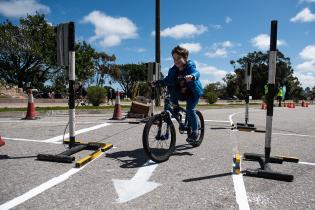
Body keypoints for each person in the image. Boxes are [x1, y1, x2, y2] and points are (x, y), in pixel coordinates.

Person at [152, 45, 203, 143]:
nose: (176, 61)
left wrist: (192, 76)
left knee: (190, 110)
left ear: (185, 57)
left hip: (192, 93)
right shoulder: (173, 70)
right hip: (181, 92)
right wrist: (157, 82)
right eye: (174, 59)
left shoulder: (190, 65)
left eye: (179, 58)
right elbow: (167, 80)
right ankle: (175, 113)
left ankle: (195, 132)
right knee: (171, 94)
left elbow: (196, 72)